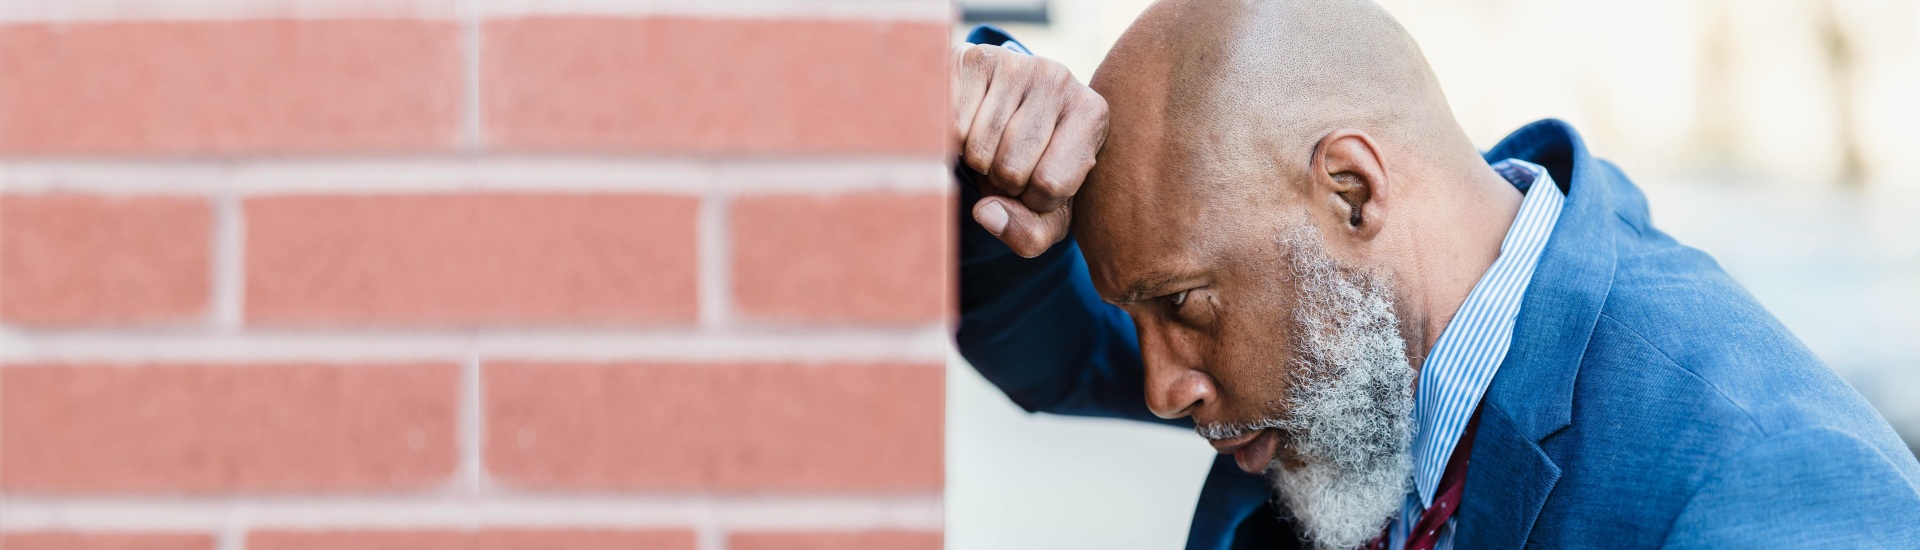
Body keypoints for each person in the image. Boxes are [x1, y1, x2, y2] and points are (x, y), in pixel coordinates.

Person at [948, 1, 1920, 549]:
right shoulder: (1345, 342)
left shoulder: (1775, 480)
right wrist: (988, 140)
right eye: (1142, 313)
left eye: (1182, 307)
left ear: (1355, 191)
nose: (1163, 385)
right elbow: (1050, 339)